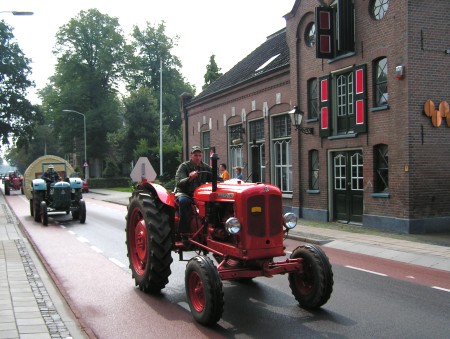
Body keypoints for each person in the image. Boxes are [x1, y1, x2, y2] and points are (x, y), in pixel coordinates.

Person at [175, 146, 214, 237]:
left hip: (200, 195)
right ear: (191, 156)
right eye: (195, 155)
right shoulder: (184, 166)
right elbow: (179, 183)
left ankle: (209, 229)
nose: (198, 157)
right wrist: (190, 178)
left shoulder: (205, 167)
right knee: (184, 202)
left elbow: (216, 178)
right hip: (185, 193)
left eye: (200, 155)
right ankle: (184, 232)